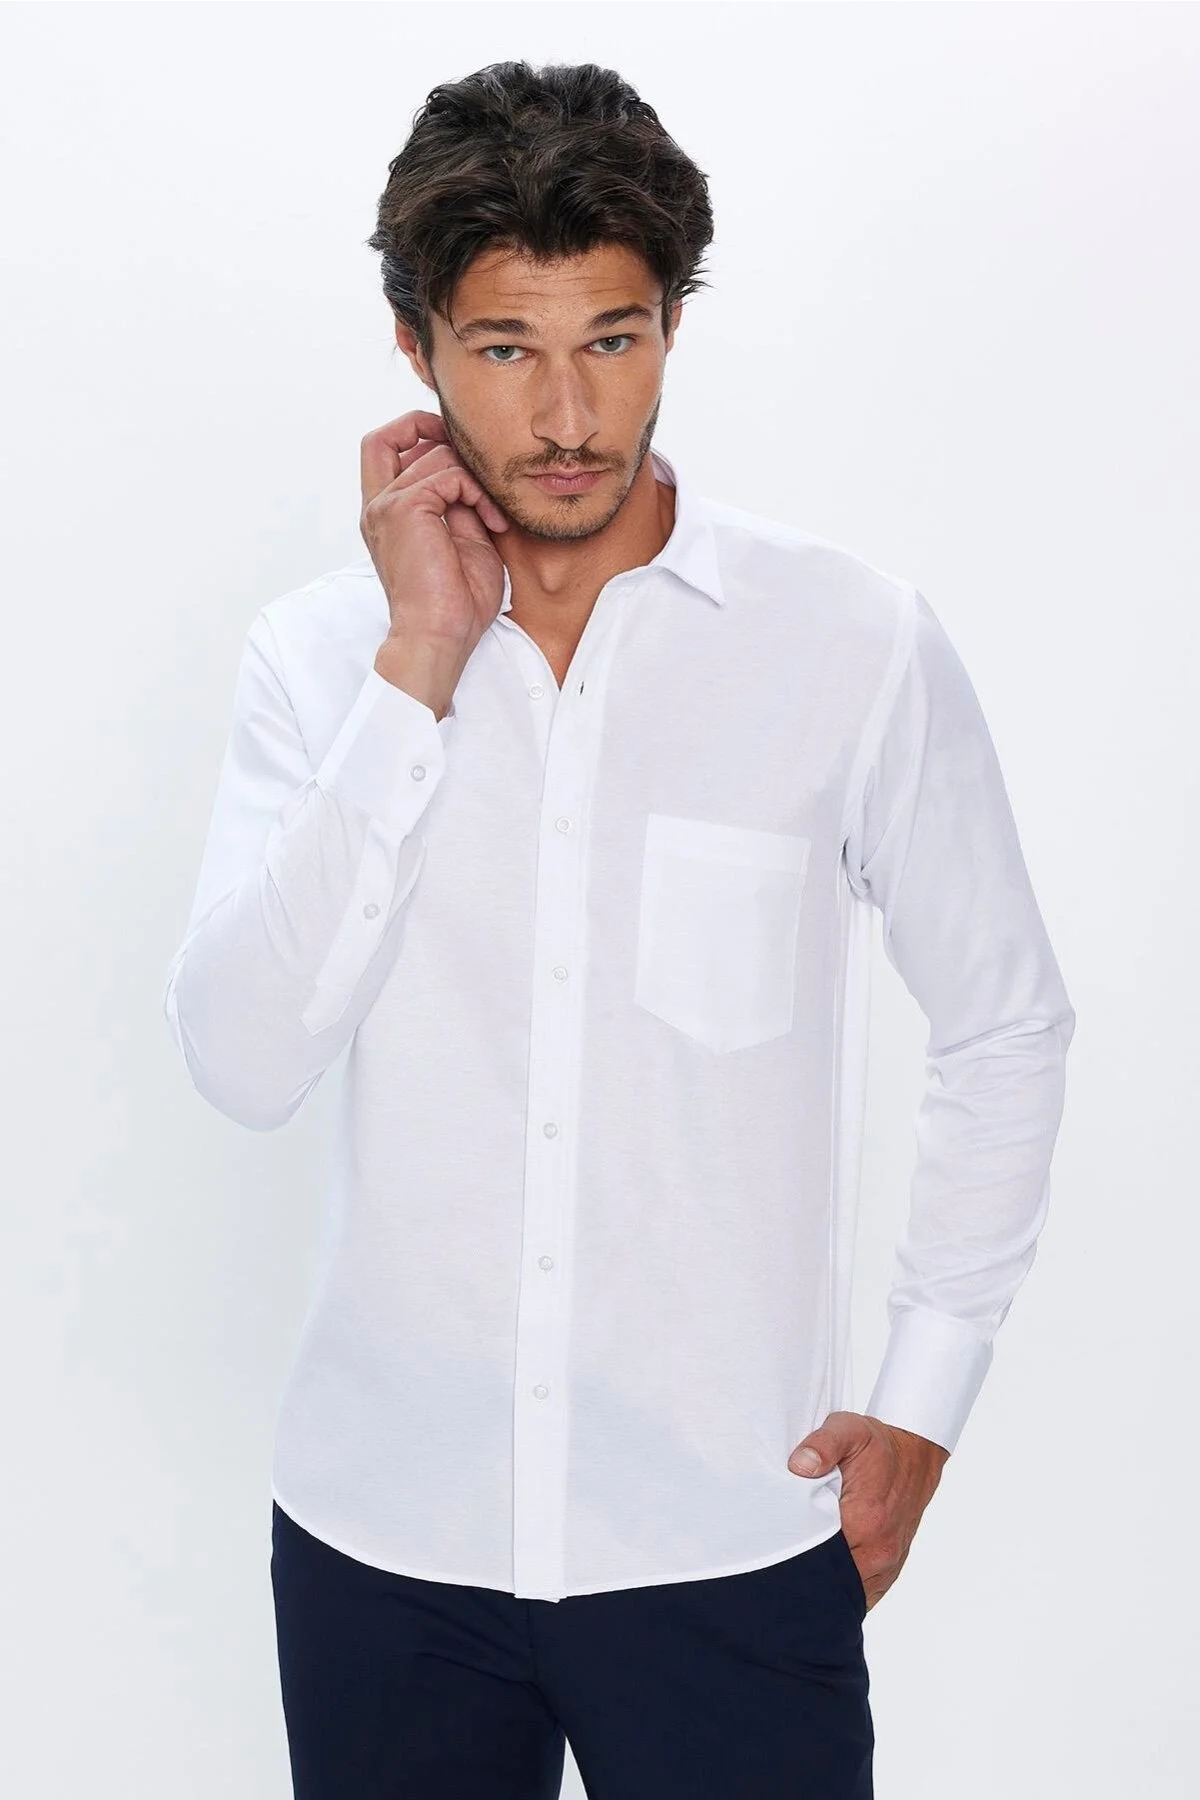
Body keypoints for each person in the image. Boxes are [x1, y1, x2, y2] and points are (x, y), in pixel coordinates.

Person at [163, 58, 1075, 1800]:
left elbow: (1005, 1017)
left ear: (672, 330)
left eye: (616, 338)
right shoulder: (321, 658)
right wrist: (418, 664)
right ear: (418, 350)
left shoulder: (850, 642)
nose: (570, 413)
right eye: (508, 348)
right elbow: (243, 1062)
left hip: (728, 1536)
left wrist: (926, 1396)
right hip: (384, 1545)